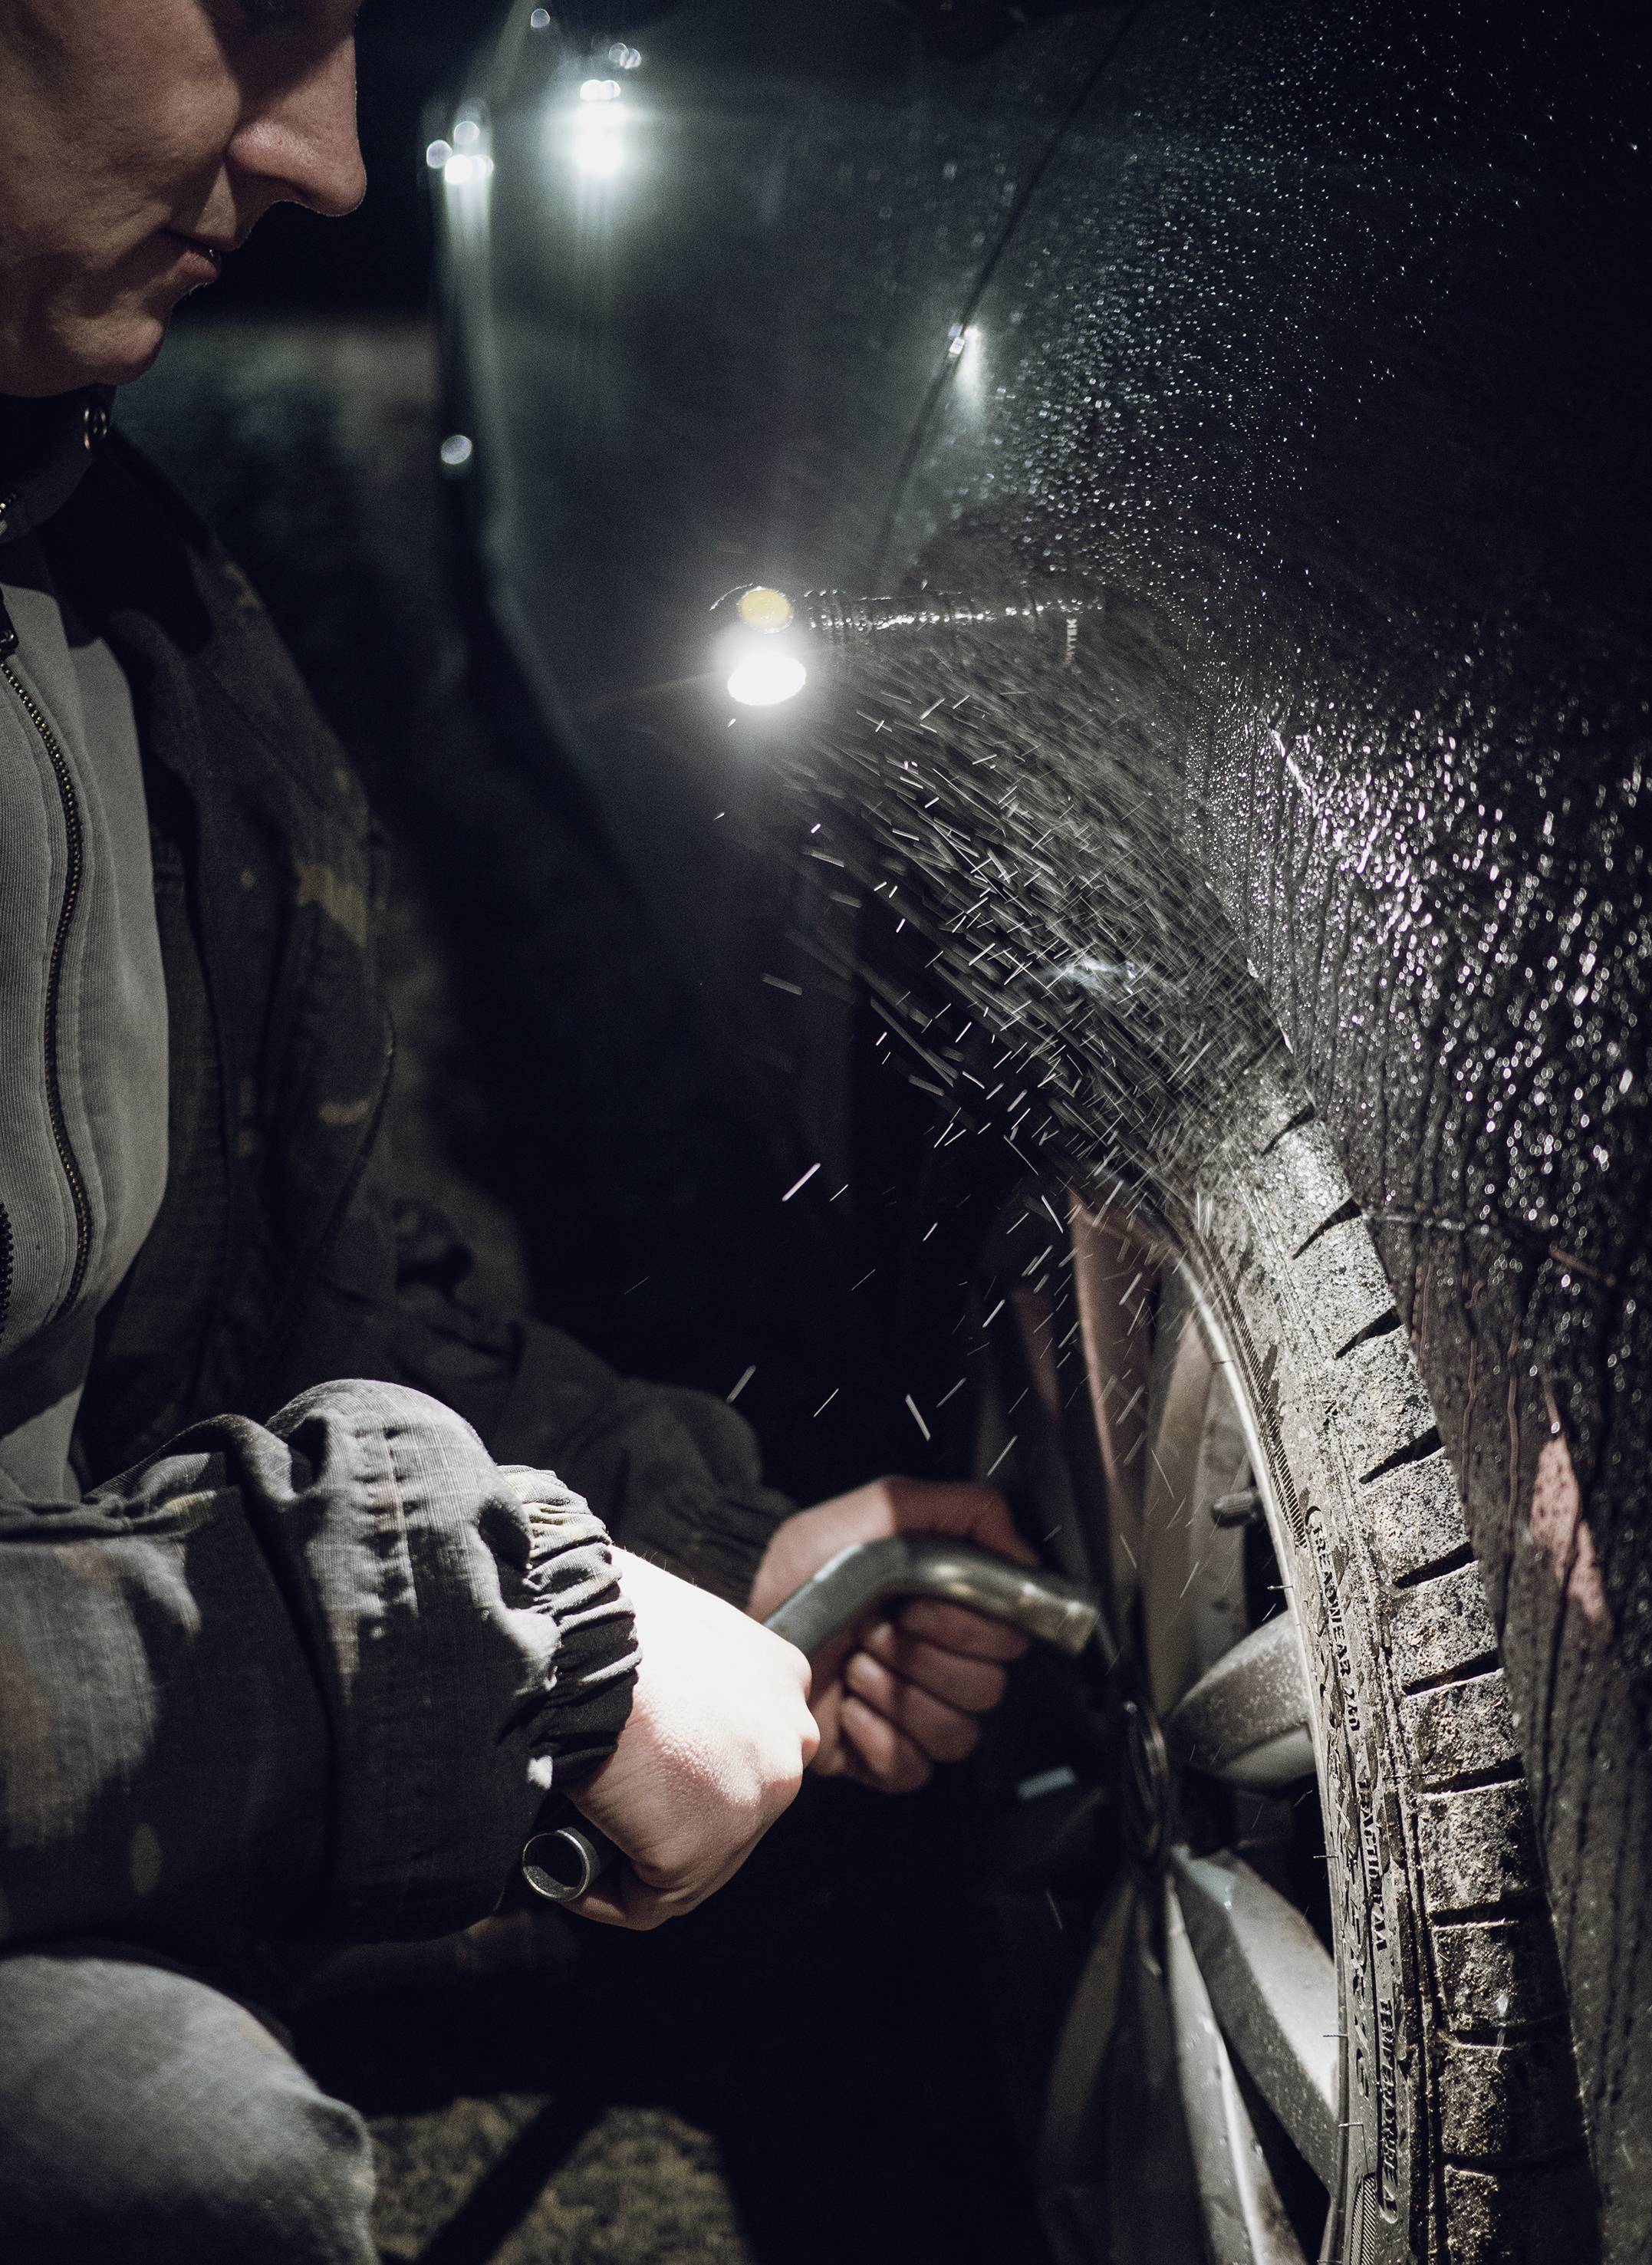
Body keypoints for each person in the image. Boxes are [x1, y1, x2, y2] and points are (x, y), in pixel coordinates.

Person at [0, 5, 1032, 2256]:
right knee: (185, 2161)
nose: (336, 159)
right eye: (259, 20)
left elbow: (272, 1278)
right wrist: (479, 1638)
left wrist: (700, 1532)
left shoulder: (110, 591)